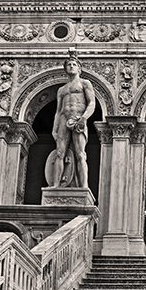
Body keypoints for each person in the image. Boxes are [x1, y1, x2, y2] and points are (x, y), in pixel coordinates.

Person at [47, 50, 96, 188]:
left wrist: (84, 118)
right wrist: (54, 128)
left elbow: (92, 103)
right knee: (60, 153)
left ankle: (84, 186)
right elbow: (58, 111)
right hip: (64, 120)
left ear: (79, 68)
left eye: (74, 64)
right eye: (69, 64)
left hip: (78, 118)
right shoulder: (61, 90)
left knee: (80, 154)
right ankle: (56, 185)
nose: (71, 66)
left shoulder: (84, 83)